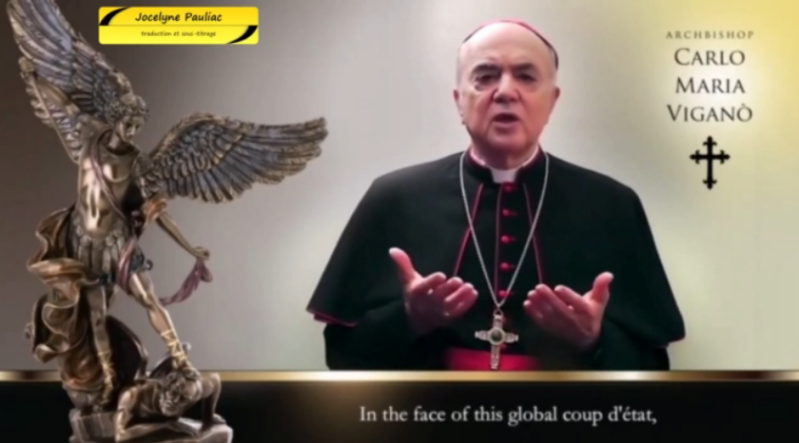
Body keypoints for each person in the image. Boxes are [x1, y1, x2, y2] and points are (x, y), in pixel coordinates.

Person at [306, 19, 685, 370]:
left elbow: (653, 367)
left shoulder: (611, 206)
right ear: (459, 100)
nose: (505, 92)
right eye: (485, 77)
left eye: (526, 76)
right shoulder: (394, 198)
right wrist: (410, 320)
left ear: (552, 101)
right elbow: (341, 354)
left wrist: (593, 340)